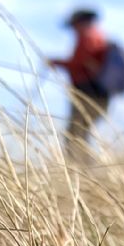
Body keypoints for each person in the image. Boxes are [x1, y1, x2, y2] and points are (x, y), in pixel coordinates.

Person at [48, 8, 109, 152]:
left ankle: (78, 167)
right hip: (98, 92)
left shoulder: (87, 37)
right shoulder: (99, 36)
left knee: (75, 133)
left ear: (81, 23)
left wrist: (56, 63)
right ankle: (82, 166)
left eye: (74, 25)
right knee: (82, 131)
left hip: (87, 90)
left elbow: (79, 62)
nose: (73, 30)